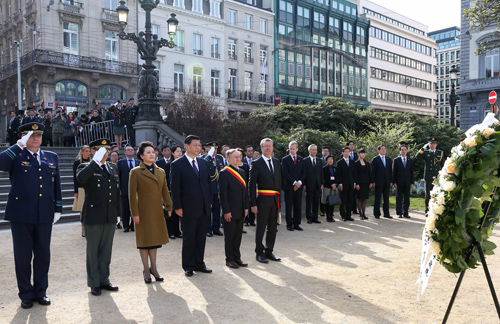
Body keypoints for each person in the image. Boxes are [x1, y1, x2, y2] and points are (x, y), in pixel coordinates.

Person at [0, 122, 62, 309]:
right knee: (23, 256)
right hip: (21, 214)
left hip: (44, 213)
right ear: (23, 137)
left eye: (38, 136)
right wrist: (19, 145)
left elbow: (56, 183)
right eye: (30, 136)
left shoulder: (51, 157)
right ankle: (26, 293)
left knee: (43, 254)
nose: (35, 139)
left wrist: (58, 208)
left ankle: (40, 291)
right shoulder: (16, 155)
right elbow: (1, 164)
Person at [77, 139, 121, 297]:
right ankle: (94, 282)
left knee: (105, 251)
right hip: (94, 215)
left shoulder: (113, 167)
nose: (105, 154)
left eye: (107, 151)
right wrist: (94, 162)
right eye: (102, 151)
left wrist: (118, 214)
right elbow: (81, 178)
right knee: (93, 251)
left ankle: (104, 280)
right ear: (93, 151)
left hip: (109, 215)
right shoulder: (85, 166)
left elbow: (116, 193)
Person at [129, 141, 173, 283]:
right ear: (141, 156)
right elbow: (131, 195)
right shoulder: (135, 172)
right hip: (142, 211)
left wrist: (169, 206)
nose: (151, 154)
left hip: (156, 210)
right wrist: (134, 213)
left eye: (153, 152)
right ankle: (146, 270)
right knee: (144, 241)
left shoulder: (161, 171)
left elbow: (165, 191)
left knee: (154, 241)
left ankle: (154, 268)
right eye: (148, 152)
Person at [170, 135, 213, 277]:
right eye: (195, 145)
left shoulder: (203, 163)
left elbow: (207, 184)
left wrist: (209, 201)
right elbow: (175, 187)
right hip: (187, 207)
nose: (198, 147)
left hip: (203, 206)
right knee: (189, 237)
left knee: (201, 236)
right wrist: (177, 206)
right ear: (186, 146)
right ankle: (188, 265)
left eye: (199, 145)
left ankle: (199, 263)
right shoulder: (177, 164)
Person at [249, 138, 282, 263]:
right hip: (262, 199)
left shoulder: (276, 161)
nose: (268, 148)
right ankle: (259, 252)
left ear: (272, 148)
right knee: (261, 227)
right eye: (265, 146)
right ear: (261, 148)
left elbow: (279, 181)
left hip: (274, 199)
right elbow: (251, 185)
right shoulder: (256, 163)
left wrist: (279, 199)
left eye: (270, 146)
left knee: (273, 227)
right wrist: (253, 203)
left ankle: (269, 251)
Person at [219, 149, 249, 269]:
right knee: (230, 236)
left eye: (239, 156)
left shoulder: (242, 171)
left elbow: (245, 192)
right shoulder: (224, 173)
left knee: (238, 236)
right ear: (229, 159)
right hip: (230, 210)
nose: (238, 159)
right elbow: (223, 194)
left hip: (241, 209)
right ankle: (229, 259)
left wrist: (246, 207)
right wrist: (226, 211)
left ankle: (237, 257)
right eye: (235, 157)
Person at [157, 145, 183, 239]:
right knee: (170, 212)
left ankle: (177, 231)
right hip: (170, 191)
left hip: (181, 192)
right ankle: (170, 231)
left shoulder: (183, 165)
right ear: (173, 153)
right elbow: (166, 180)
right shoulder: (168, 165)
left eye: (180, 151)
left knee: (178, 212)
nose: (179, 153)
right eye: (177, 151)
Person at [415, 137, 444, 214]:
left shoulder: (440, 153)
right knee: (428, 195)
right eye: (431, 143)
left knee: (437, 194)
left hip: (437, 177)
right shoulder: (426, 152)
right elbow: (417, 156)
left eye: (434, 144)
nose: (432, 145)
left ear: (436, 145)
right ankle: (427, 210)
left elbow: (443, 165)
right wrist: (423, 148)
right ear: (429, 144)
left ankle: (435, 210)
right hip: (428, 177)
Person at [282, 141, 305, 231]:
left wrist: (299, 182)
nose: (292, 150)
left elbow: (304, 173)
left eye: (293, 149)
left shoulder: (301, 159)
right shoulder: (285, 159)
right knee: (289, 206)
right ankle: (289, 224)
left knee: (298, 205)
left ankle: (296, 223)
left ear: (297, 149)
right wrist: (294, 182)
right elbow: (285, 173)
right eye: (290, 149)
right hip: (289, 186)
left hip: (299, 187)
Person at [117, 145, 140, 233]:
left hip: (137, 190)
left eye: (131, 150)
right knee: (125, 208)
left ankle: (133, 225)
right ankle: (126, 226)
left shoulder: (138, 162)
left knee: (135, 208)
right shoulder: (120, 162)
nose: (130, 151)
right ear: (125, 152)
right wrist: (119, 188)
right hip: (124, 189)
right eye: (128, 150)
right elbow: (118, 176)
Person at [203, 141, 224, 237]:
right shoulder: (204, 159)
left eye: (216, 148)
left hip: (218, 188)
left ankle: (216, 228)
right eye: (212, 148)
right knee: (208, 209)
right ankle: (208, 229)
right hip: (209, 188)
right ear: (207, 149)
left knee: (217, 209)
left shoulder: (219, 158)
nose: (214, 150)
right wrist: (209, 156)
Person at [73, 145, 91, 237]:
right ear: (82, 152)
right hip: (81, 188)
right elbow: (75, 177)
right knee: (82, 209)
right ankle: (83, 229)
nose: (88, 153)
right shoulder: (77, 163)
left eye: (89, 151)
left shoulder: (92, 162)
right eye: (86, 151)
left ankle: (90, 228)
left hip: (91, 187)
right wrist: (75, 191)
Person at [393, 143, 415, 218]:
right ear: (400, 151)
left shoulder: (410, 160)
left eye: (405, 150)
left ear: (407, 150)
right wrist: (394, 182)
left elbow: (412, 172)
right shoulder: (396, 160)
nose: (404, 151)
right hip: (399, 182)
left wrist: (412, 182)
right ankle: (399, 212)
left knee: (406, 199)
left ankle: (406, 212)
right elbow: (394, 172)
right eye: (402, 150)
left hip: (407, 182)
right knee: (399, 198)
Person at [371, 145, 393, 219]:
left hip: (387, 182)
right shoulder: (375, 159)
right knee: (378, 198)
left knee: (386, 198)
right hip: (378, 181)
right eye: (382, 149)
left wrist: (391, 181)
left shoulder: (388, 159)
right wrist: (373, 181)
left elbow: (390, 171)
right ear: (379, 150)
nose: (384, 150)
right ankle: (376, 213)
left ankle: (386, 213)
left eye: (384, 149)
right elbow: (373, 171)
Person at [304, 144, 323, 224]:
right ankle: (309, 217)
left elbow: (321, 173)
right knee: (309, 201)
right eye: (313, 150)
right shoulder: (305, 160)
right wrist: (304, 184)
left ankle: (315, 217)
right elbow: (304, 173)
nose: (314, 151)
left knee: (316, 201)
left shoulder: (319, 160)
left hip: (317, 184)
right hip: (309, 184)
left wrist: (322, 183)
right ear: (309, 151)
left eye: (315, 150)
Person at [336, 147, 357, 221]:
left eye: (348, 152)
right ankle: (343, 215)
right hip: (343, 184)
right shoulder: (339, 162)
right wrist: (340, 183)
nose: (347, 153)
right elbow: (338, 174)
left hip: (351, 184)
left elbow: (354, 173)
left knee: (350, 200)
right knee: (343, 201)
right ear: (343, 153)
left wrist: (354, 182)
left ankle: (349, 215)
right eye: (346, 151)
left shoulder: (352, 162)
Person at [354, 149, 372, 220]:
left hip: (366, 182)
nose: (363, 155)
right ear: (358, 154)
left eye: (364, 153)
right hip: (360, 182)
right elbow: (355, 174)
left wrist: (370, 182)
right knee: (359, 199)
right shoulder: (356, 163)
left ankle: (364, 213)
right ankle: (360, 214)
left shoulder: (367, 163)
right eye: (362, 153)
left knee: (364, 198)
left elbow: (370, 173)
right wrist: (357, 184)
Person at [322, 155, 337, 222]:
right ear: (326, 161)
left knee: (332, 202)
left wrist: (335, 184)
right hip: (327, 187)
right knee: (327, 202)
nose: (330, 160)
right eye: (329, 159)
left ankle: (331, 216)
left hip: (334, 187)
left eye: (331, 159)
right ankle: (328, 217)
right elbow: (324, 178)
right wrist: (331, 184)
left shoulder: (335, 168)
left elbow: (337, 177)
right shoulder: (324, 168)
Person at [243, 145, 256, 227]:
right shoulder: (242, 161)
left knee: (253, 201)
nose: (251, 152)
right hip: (245, 184)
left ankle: (252, 220)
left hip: (253, 185)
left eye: (252, 151)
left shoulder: (256, 161)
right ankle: (246, 220)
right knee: (246, 202)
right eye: (249, 151)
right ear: (245, 152)